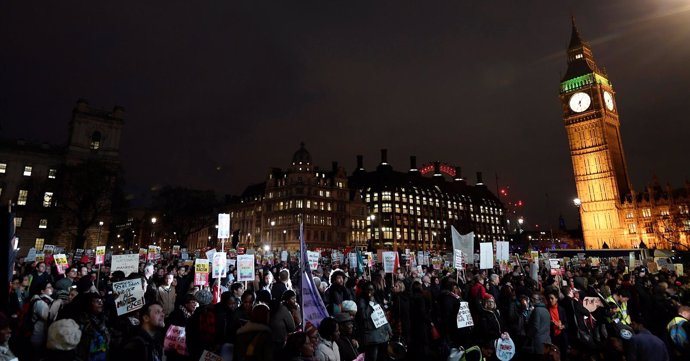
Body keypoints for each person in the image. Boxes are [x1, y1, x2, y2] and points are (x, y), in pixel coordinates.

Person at [355, 280, 391, 361]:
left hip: (382, 335)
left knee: (383, 357)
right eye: (368, 290)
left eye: (372, 290)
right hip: (372, 338)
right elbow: (364, 315)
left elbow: (383, 316)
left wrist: (388, 328)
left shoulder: (377, 299)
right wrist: (370, 302)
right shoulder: (362, 301)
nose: (370, 292)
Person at [74, 292, 110, 361]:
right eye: (97, 301)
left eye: (101, 301)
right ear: (88, 304)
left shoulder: (102, 319)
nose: (101, 303)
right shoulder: (82, 322)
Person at [525, 293, 551, 358]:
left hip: (538, 342)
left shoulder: (537, 310)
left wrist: (528, 335)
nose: (532, 300)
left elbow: (535, 327)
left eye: (534, 299)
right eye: (531, 299)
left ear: (539, 300)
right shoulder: (546, 310)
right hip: (547, 341)